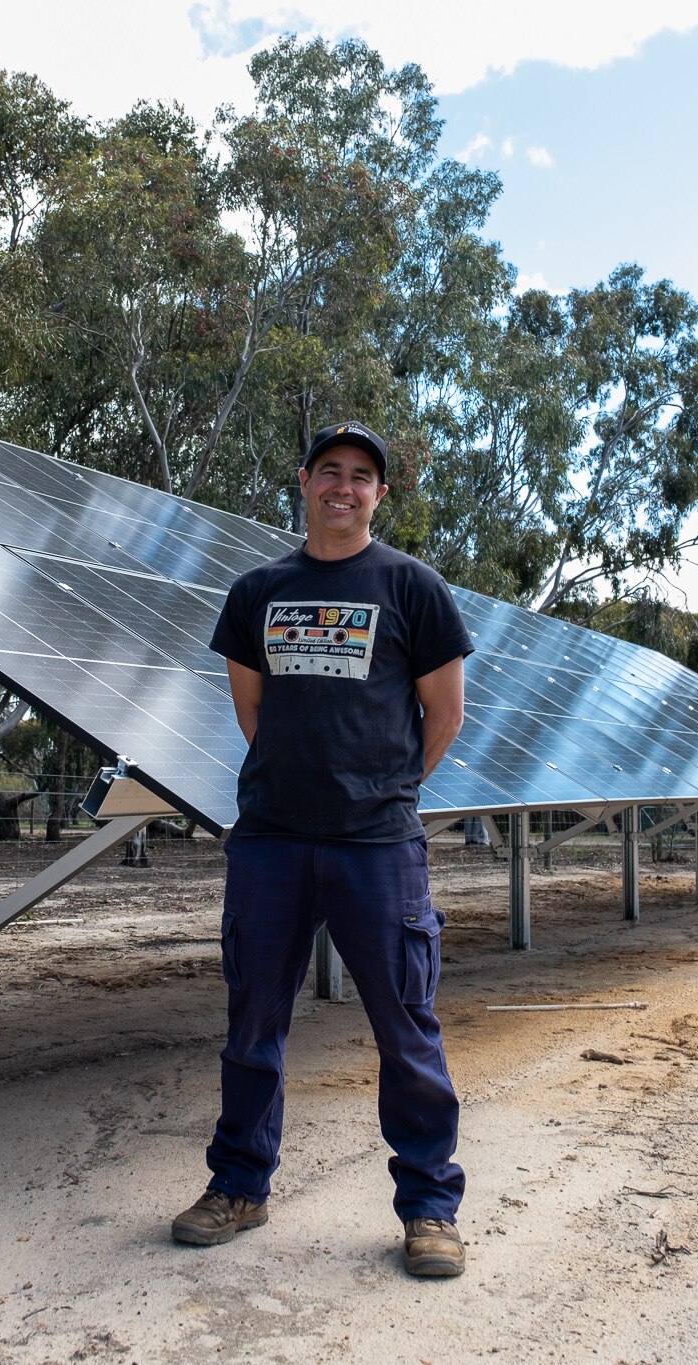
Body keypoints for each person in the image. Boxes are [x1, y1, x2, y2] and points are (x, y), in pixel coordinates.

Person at [170, 419, 473, 1278]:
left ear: (381, 493)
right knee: (252, 1022)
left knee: (406, 1029)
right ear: (303, 480)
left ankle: (429, 1206)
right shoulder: (257, 590)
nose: (344, 486)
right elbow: (251, 710)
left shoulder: (414, 587)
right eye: (330, 470)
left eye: (362, 476)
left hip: (378, 845)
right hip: (271, 840)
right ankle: (239, 1185)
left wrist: (380, 789)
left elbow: (443, 715)